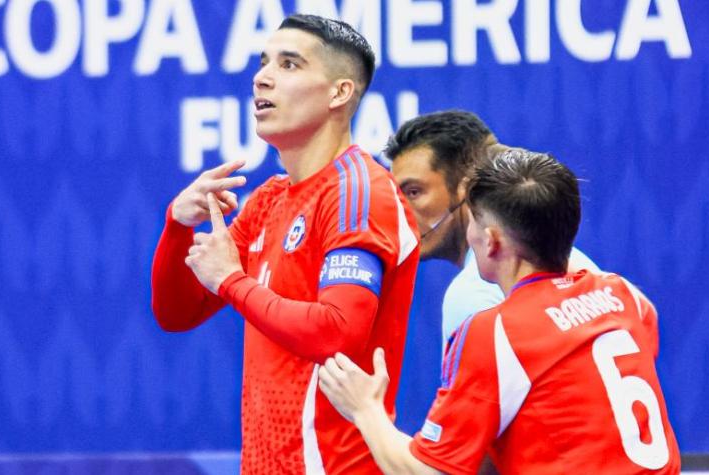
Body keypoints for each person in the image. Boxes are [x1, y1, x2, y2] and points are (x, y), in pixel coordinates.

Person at [150, 14, 420, 474]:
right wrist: (176, 225)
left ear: (340, 93)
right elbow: (180, 312)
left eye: (290, 64)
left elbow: (337, 330)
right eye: (263, 62)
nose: (263, 77)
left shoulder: (358, 193)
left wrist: (233, 282)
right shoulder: (271, 200)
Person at [318, 147, 681, 474]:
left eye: (472, 218)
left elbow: (427, 472)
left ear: (491, 241)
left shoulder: (495, 332)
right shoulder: (622, 294)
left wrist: (365, 408)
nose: (469, 231)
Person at [385, 110, 599, 353]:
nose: (399, 211)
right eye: (396, 196)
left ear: (468, 189)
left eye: (414, 192)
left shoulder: (472, 293)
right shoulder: (583, 267)